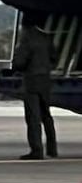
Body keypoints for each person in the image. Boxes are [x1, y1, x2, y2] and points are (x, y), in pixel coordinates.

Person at [12, 12, 57, 160]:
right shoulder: (47, 38)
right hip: (45, 81)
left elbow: (19, 62)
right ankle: (52, 148)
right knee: (47, 116)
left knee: (33, 118)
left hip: (31, 82)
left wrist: (18, 68)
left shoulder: (27, 40)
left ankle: (37, 150)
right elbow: (53, 58)